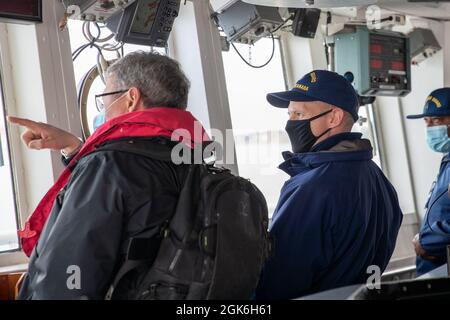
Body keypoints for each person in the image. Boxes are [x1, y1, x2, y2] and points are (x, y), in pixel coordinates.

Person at [10, 51, 211, 299]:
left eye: (104, 96)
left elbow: (67, 279)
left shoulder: (109, 166)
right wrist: (76, 149)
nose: (103, 108)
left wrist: (94, 161)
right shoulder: (194, 160)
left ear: (131, 99)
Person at [255, 70, 403, 300]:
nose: (289, 123)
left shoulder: (311, 188)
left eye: (298, 114)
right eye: (289, 114)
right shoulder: (379, 179)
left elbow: (278, 282)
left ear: (333, 117)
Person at [407, 88, 450, 276]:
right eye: (427, 121)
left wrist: (426, 242)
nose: (430, 127)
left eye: (437, 120)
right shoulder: (447, 162)